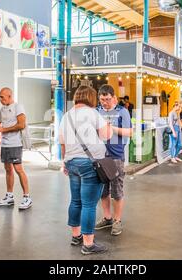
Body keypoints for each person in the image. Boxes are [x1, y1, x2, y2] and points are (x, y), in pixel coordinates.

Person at [59, 85, 113, 255]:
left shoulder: (66, 116)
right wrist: (109, 126)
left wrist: (64, 162)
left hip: (72, 162)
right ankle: (88, 244)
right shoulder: (92, 113)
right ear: (91, 97)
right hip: (90, 164)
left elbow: (62, 142)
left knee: (76, 201)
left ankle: (76, 236)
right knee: (89, 204)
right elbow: (106, 136)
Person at [95, 85, 132, 236]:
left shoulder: (122, 112)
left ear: (114, 98)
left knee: (117, 191)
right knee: (103, 191)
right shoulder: (97, 112)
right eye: (102, 100)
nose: (105, 102)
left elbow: (129, 132)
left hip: (116, 157)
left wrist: (111, 128)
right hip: (100, 156)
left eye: (107, 99)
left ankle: (117, 220)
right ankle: (107, 217)